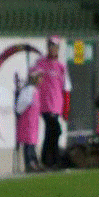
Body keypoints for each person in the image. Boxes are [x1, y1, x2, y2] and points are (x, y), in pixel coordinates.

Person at [31, 36, 71, 169]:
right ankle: (50, 159)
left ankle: (50, 160)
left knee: (53, 132)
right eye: (50, 46)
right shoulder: (41, 63)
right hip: (45, 105)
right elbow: (34, 77)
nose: (52, 49)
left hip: (56, 105)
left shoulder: (61, 66)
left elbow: (65, 87)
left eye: (55, 47)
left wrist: (65, 108)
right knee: (54, 130)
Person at [15, 71, 44, 173]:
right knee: (28, 143)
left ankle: (34, 162)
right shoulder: (29, 90)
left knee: (32, 142)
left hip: (33, 122)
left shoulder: (35, 91)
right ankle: (30, 163)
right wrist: (19, 112)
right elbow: (21, 105)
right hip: (27, 121)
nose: (41, 80)